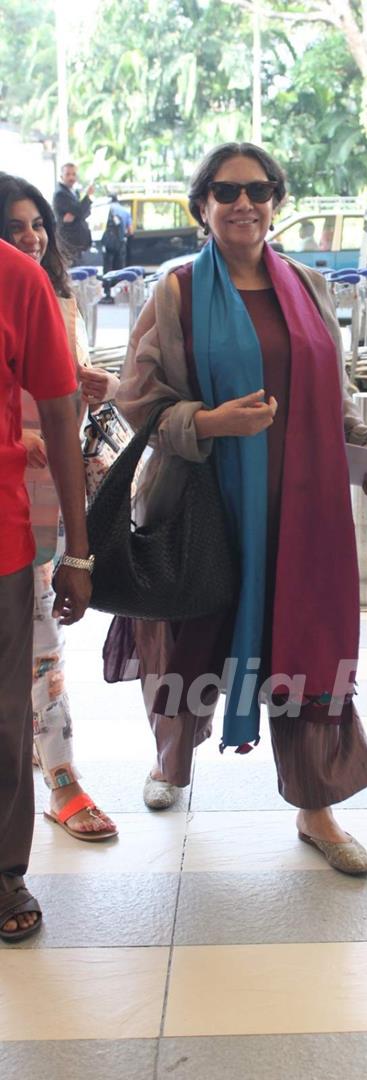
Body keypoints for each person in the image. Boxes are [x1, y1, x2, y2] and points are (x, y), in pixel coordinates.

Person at [106, 141, 367, 874]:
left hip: (304, 513)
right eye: (228, 191)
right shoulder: (174, 293)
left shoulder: (306, 284)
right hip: (205, 507)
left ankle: (317, 807)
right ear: (201, 204)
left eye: (260, 190)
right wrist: (208, 424)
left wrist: (362, 446)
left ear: (276, 202)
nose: (245, 204)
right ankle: (173, 762)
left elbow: (328, 388)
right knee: (191, 643)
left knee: (305, 649)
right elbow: (135, 401)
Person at [0, 174, 118, 843]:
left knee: (40, 650)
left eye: (37, 223)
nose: (32, 236)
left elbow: (60, 395)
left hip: (32, 506)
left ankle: (61, 779)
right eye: (15, 226)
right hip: (26, 476)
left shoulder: (48, 294)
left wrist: (78, 547)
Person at [0, 236, 93, 942]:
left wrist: (79, 553)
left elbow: (62, 412)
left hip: (1, 539)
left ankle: (4, 871)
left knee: (4, 718)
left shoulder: (16, 276)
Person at [52, 162, 94, 266]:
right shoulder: (60, 194)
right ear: (62, 176)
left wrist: (77, 214)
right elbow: (79, 211)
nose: (71, 177)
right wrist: (87, 197)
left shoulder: (74, 193)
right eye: (68, 174)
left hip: (79, 244)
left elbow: (84, 213)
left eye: (74, 174)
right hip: (70, 244)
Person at [101, 192, 132, 275]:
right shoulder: (125, 211)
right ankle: (118, 284)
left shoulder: (106, 210)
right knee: (120, 268)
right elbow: (130, 231)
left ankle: (108, 285)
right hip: (120, 243)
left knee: (108, 267)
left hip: (108, 244)